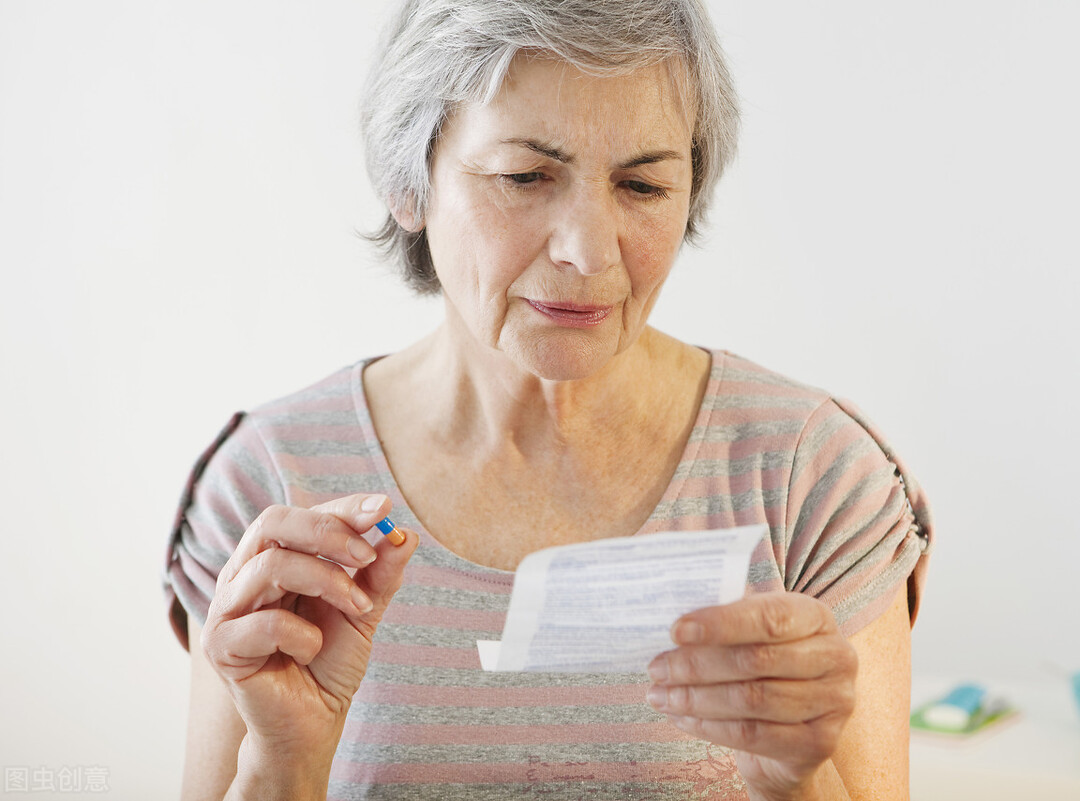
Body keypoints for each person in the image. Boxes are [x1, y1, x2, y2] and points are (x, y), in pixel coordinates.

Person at [163, 0, 933, 798]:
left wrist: (793, 782)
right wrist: (283, 764)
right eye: (524, 177)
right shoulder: (271, 486)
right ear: (409, 182)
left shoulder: (814, 479)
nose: (589, 250)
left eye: (642, 183)